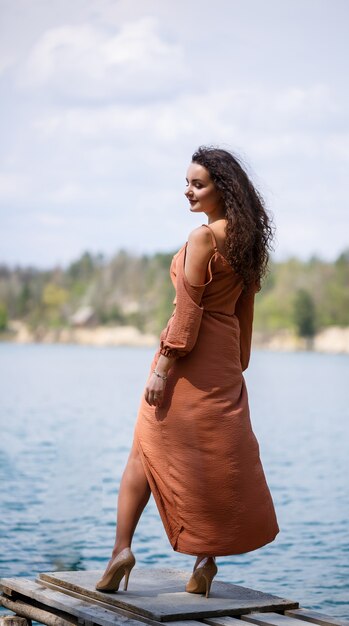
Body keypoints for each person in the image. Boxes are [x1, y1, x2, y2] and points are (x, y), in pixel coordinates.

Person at [95, 146, 280, 598]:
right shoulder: (246, 240)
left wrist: (161, 367)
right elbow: (244, 312)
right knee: (210, 460)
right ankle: (205, 560)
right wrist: (237, 365)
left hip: (186, 361)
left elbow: (187, 314)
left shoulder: (203, 239)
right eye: (187, 183)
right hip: (223, 363)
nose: (188, 191)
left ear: (223, 187)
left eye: (198, 184)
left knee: (143, 452)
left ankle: (121, 550)